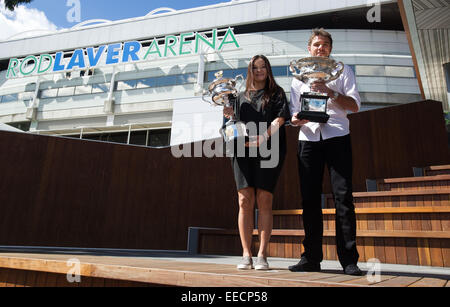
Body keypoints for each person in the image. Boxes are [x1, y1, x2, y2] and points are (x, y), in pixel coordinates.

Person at [289, 28, 363, 276]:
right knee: (309, 200)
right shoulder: (298, 78)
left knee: (343, 199)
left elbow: (354, 106)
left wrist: (330, 91)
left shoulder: (343, 71)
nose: (321, 48)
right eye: (317, 44)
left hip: (337, 137)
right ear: (309, 49)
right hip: (308, 139)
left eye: (325, 44)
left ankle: (349, 260)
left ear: (330, 49)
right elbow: (293, 114)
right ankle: (310, 257)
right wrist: (297, 119)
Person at [223, 55, 290, 271]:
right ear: (250, 70)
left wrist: (263, 138)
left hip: (270, 149)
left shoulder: (277, 93)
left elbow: (280, 118)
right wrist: (227, 114)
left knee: (264, 199)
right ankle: (246, 254)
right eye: (255, 67)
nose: (259, 70)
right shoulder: (238, 96)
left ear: (268, 69)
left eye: (263, 67)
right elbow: (231, 124)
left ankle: (262, 254)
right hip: (241, 150)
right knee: (244, 200)